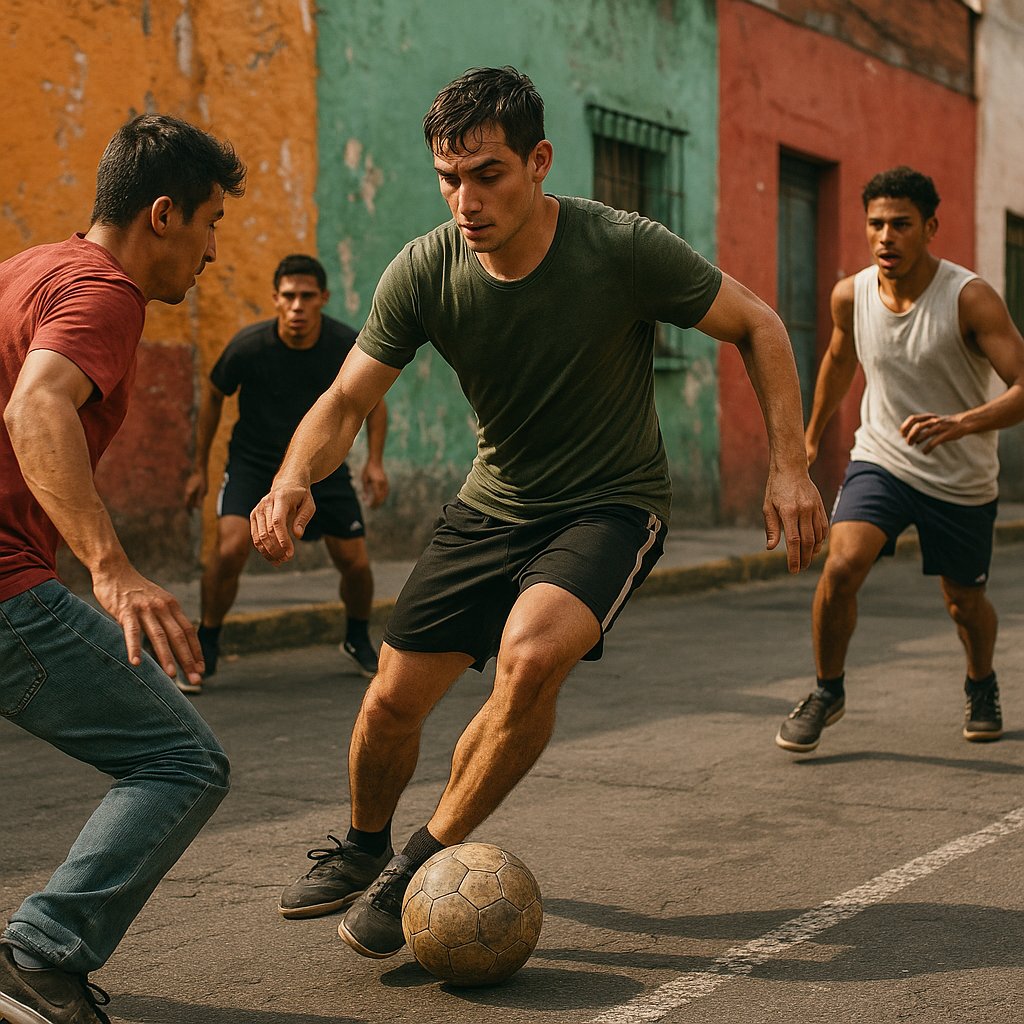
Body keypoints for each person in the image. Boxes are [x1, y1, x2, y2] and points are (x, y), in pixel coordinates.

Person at [251, 66, 827, 960]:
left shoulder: (621, 247)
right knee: (390, 705)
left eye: (487, 174)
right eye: (449, 177)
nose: (465, 199)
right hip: (491, 505)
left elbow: (760, 323)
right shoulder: (425, 270)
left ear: (539, 161)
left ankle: (417, 860)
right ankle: (365, 842)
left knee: (527, 662)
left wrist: (789, 467)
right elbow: (345, 398)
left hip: (610, 503)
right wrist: (292, 478)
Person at [0, 114, 244, 1024]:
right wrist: (112, 568)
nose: (215, 250)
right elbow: (36, 410)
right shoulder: (106, 291)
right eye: (214, 222)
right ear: (165, 214)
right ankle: (42, 951)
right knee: (181, 759)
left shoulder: (29, 267)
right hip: (6, 584)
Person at [776, 166, 1024, 755]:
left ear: (930, 227)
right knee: (841, 569)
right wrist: (810, 438)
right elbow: (840, 361)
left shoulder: (969, 298)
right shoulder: (852, 294)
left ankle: (981, 682)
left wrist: (961, 423)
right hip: (882, 457)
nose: (886, 237)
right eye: (876, 224)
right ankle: (827, 690)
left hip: (961, 474)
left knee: (964, 602)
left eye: (901, 224)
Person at [184, 254, 388, 685]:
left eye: (307, 297)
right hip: (253, 463)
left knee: (355, 561)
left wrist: (373, 462)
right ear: (276, 299)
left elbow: (375, 401)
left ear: (323, 299)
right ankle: (209, 640)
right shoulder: (249, 347)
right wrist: (199, 468)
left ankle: (356, 636)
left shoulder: (343, 345)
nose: (298, 306)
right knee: (229, 550)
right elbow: (215, 395)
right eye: (289, 296)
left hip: (321, 466)